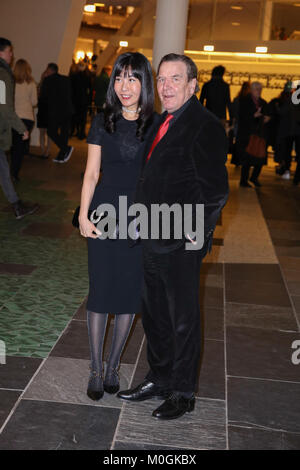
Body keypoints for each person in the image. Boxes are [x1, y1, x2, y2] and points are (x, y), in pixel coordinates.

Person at [117, 53, 229, 420]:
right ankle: (160, 377)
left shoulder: (205, 124)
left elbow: (215, 191)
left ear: (193, 85)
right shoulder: (160, 120)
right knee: (154, 315)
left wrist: (195, 239)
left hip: (181, 241)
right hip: (151, 234)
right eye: (161, 79)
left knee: (183, 319)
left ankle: (183, 391)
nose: (165, 87)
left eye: (174, 79)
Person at [78, 52, 154, 401]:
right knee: (100, 291)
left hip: (137, 219)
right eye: (120, 78)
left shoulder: (155, 124)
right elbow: (92, 173)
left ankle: (113, 367)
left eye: (133, 78)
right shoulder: (102, 120)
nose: (125, 86)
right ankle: (95, 369)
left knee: (127, 295)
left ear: (144, 83)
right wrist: (82, 215)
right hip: (104, 214)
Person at [0, 37, 39, 219]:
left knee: (3, 169)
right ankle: (17, 206)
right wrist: (20, 127)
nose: (11, 55)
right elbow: (3, 105)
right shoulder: (2, 75)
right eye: (9, 51)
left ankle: (17, 206)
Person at [237, 82, 270, 187]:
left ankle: (254, 178)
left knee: (260, 158)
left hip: (259, 134)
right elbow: (241, 117)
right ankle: (244, 180)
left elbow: (267, 114)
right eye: (256, 89)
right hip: (247, 134)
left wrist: (266, 119)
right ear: (251, 90)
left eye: (260, 89)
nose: (259, 91)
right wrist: (253, 115)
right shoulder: (244, 101)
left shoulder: (263, 103)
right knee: (247, 158)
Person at [39, 62, 74, 163]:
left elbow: (43, 97)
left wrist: (43, 79)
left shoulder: (47, 80)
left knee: (51, 132)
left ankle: (66, 149)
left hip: (55, 112)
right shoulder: (66, 79)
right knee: (64, 134)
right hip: (67, 110)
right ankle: (62, 156)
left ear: (49, 70)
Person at [11, 59, 38, 181]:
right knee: (19, 148)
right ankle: (14, 173)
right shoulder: (31, 84)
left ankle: (8, 172)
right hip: (27, 118)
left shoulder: (10, 82)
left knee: (11, 146)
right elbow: (34, 102)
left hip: (13, 118)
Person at [69, 61, 92, 140]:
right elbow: (90, 89)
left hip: (75, 100)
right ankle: (81, 133)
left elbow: (71, 89)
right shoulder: (87, 77)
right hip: (84, 100)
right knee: (82, 118)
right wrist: (89, 100)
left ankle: (72, 131)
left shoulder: (73, 76)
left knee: (74, 117)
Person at [230, 81, 251, 166]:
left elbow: (233, 111)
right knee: (245, 143)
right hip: (245, 124)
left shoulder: (237, 99)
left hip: (237, 123)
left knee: (238, 142)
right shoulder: (249, 100)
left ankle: (236, 160)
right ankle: (242, 159)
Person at [37, 67, 52, 159]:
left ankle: (47, 151)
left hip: (48, 111)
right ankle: (43, 151)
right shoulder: (40, 85)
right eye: (45, 73)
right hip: (42, 110)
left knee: (49, 133)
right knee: (42, 132)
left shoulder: (52, 86)